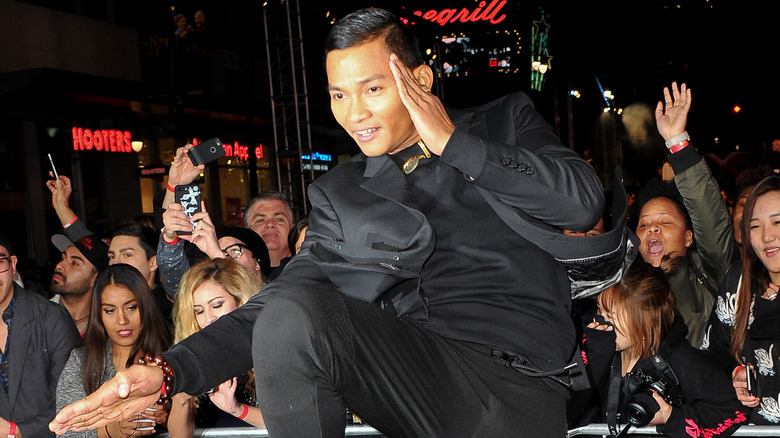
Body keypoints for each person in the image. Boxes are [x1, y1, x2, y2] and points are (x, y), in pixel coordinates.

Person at [50, 8, 604, 437]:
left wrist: (457, 144)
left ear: (421, 79)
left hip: (522, 386)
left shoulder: (503, 121)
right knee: (292, 311)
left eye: (372, 89)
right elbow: (273, 311)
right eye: (339, 94)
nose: (354, 113)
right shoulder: (345, 192)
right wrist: (169, 372)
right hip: (420, 383)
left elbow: (581, 202)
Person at [574, 261, 747, 437]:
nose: (599, 320)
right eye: (599, 309)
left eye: (610, 315)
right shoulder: (594, 344)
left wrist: (672, 417)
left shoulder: (679, 358)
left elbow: (734, 411)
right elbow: (568, 412)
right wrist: (595, 356)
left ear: (645, 320)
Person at [632, 82, 734, 347]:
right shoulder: (623, 287)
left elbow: (711, 221)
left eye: (665, 222)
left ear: (689, 237)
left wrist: (677, 142)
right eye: (644, 225)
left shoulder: (711, 274)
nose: (652, 229)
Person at [55, 264, 171, 438]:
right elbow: (65, 432)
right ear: (99, 314)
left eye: (131, 307)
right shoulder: (82, 361)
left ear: (146, 306)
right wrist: (111, 430)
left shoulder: (172, 353)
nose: (122, 320)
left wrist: (168, 418)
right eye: (110, 310)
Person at [167, 258, 264, 436]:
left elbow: (291, 419)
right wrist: (181, 399)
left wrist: (237, 409)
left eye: (217, 305)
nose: (209, 318)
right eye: (199, 311)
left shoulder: (266, 348)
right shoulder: (193, 358)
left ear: (241, 301)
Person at [0, 231, 80, 438]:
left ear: (13, 264)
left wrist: (15, 432)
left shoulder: (51, 318)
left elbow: (74, 400)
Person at [718, 175, 780, 424]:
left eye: (778, 222)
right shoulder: (738, 282)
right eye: (754, 226)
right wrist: (734, 373)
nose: (767, 237)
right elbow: (713, 353)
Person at [158, 200, 270, 298]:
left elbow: (244, 301)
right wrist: (170, 238)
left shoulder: (276, 294)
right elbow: (179, 287)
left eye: (235, 251)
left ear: (257, 262)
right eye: (221, 253)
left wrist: (217, 256)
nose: (227, 259)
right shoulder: (209, 295)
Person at [50, 234, 109, 335]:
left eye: (74, 263)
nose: (59, 266)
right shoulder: (38, 317)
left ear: (95, 278)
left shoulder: (108, 326)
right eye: (62, 258)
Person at [243, 192, 294, 276]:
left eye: (279, 219)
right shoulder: (236, 278)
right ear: (247, 231)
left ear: (293, 228)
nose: (270, 224)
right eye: (260, 220)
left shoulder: (310, 271)